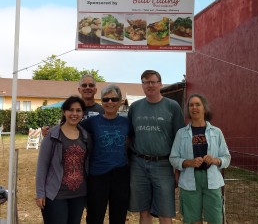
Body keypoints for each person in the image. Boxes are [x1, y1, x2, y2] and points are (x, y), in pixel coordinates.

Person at [128, 70, 185, 224]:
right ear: (142, 85)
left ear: (161, 84)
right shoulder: (135, 107)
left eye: (153, 82)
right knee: (143, 211)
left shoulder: (172, 106)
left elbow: (180, 139)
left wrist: (178, 170)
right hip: (138, 164)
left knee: (165, 212)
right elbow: (129, 136)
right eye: (146, 82)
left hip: (163, 164)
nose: (150, 85)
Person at [169, 94, 231, 224]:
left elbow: (226, 157)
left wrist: (215, 160)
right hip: (189, 181)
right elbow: (173, 158)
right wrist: (188, 162)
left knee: (215, 219)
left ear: (205, 108)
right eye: (191, 105)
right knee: (193, 220)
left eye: (198, 104)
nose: (194, 107)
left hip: (212, 180)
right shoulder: (181, 133)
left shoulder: (216, 132)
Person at [36, 96, 91, 224]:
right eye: (71, 110)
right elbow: (42, 165)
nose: (74, 114)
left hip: (79, 194)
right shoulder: (52, 135)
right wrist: (40, 193)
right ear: (64, 112)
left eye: (78, 110)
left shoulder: (86, 136)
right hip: (56, 194)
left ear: (82, 113)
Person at [81, 84, 131, 224]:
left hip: (120, 174)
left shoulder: (126, 122)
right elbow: (70, 128)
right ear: (101, 101)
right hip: (97, 174)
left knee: (118, 216)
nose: (110, 102)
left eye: (114, 99)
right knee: (95, 216)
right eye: (106, 99)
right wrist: (49, 130)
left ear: (120, 101)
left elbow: (135, 139)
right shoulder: (91, 122)